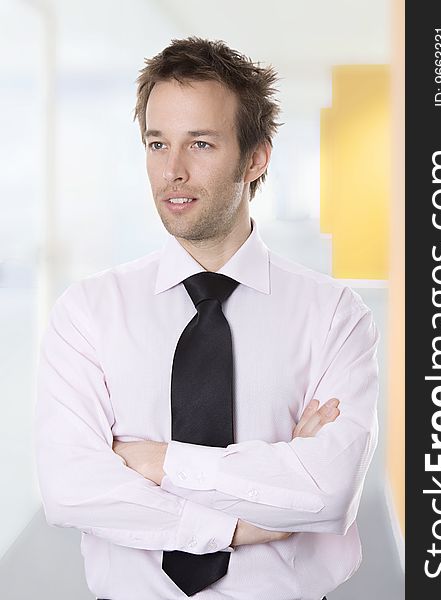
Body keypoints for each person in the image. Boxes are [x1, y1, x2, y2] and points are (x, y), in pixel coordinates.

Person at [34, 37, 379, 600]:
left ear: (255, 157)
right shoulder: (88, 312)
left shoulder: (334, 316)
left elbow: (328, 492)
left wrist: (152, 460)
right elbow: (71, 487)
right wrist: (243, 520)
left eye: (200, 143)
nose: (172, 171)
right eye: (157, 143)